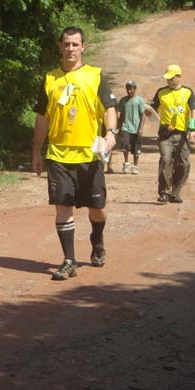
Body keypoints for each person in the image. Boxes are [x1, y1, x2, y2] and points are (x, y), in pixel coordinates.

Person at [32, 26, 118, 281]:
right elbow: (41, 118)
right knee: (63, 207)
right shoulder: (50, 79)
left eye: (75, 44)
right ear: (60, 47)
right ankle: (69, 260)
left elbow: (109, 107)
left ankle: (97, 238)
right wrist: (37, 150)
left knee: (97, 209)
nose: (70, 48)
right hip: (59, 155)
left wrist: (111, 132)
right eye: (66, 44)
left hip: (89, 156)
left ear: (83, 47)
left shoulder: (95, 75)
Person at [151, 64, 195, 204]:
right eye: (167, 78)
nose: (169, 81)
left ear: (179, 77)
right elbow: (152, 110)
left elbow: (194, 110)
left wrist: (193, 128)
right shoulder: (161, 92)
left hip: (182, 134)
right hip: (166, 133)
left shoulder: (188, 92)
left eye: (172, 78)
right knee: (166, 160)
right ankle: (164, 192)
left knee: (184, 163)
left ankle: (175, 192)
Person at [116, 80, 146, 174]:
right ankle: (126, 163)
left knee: (136, 147)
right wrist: (118, 127)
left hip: (136, 128)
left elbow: (143, 115)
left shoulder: (140, 100)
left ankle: (135, 166)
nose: (129, 91)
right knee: (125, 145)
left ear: (135, 89)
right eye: (128, 89)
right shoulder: (123, 100)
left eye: (131, 89)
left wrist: (141, 128)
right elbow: (119, 114)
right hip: (125, 127)